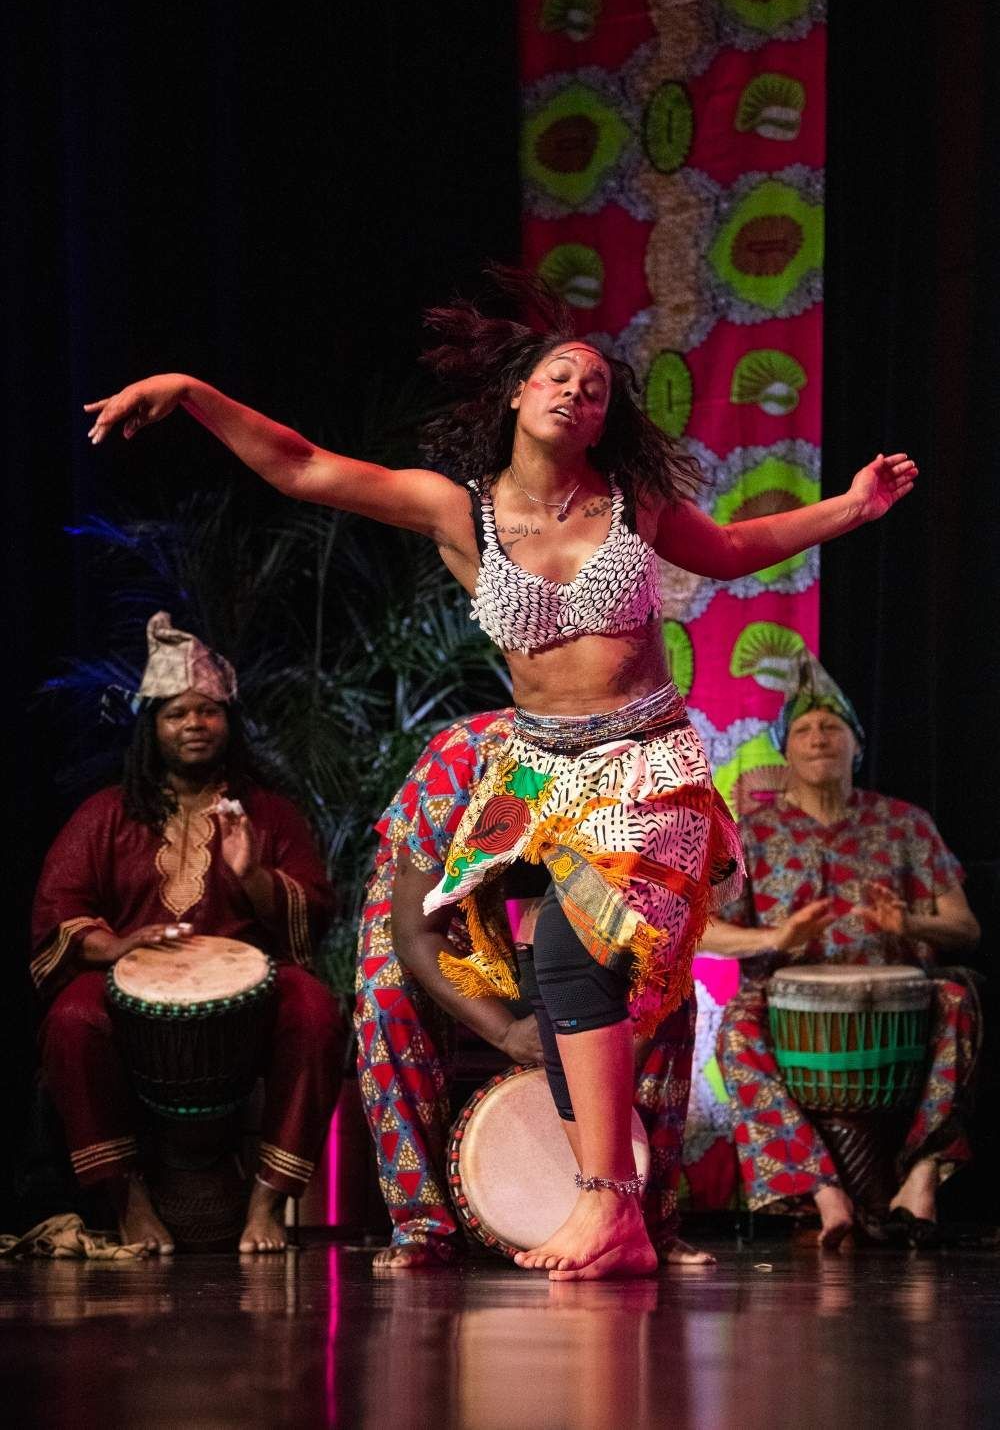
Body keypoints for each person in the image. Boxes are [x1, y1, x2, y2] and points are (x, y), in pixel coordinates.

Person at [86, 270, 917, 1278]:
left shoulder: (634, 504)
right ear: (519, 396)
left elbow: (739, 547)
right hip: (533, 767)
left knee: (574, 947)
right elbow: (303, 467)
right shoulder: (457, 512)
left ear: (606, 420)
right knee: (483, 948)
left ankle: (610, 1206)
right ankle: (568, 1199)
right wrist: (192, 388)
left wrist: (852, 508)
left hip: (644, 754)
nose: (577, 391)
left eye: (598, 387)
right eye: (560, 375)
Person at [32, 612, 345, 1255]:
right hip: (129, 994)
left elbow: (312, 909)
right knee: (70, 1019)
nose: (195, 725)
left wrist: (253, 872)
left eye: (208, 712)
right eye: (177, 714)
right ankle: (131, 1205)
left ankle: (265, 1207)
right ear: (154, 728)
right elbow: (57, 908)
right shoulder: (105, 814)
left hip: (247, 1000)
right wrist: (117, 946)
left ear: (228, 723)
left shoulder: (268, 812)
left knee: (314, 1012)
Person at [357, 709, 713, 1270]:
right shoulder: (460, 764)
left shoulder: (646, 780)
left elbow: (657, 944)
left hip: (569, 897)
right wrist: (507, 1031)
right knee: (387, 995)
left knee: (674, 999)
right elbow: (415, 932)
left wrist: (623, 1038)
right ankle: (420, 1226)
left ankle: (648, 1222)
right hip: (441, 907)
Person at [702, 651, 980, 1248]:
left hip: (901, 1001)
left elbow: (965, 927)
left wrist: (908, 920)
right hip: (784, 1008)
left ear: (857, 744)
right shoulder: (750, 834)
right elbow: (702, 932)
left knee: (959, 995)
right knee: (734, 1030)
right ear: (785, 752)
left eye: (832, 727)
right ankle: (822, 1190)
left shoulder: (905, 823)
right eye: (803, 729)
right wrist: (777, 937)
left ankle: (923, 1173)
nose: (818, 737)